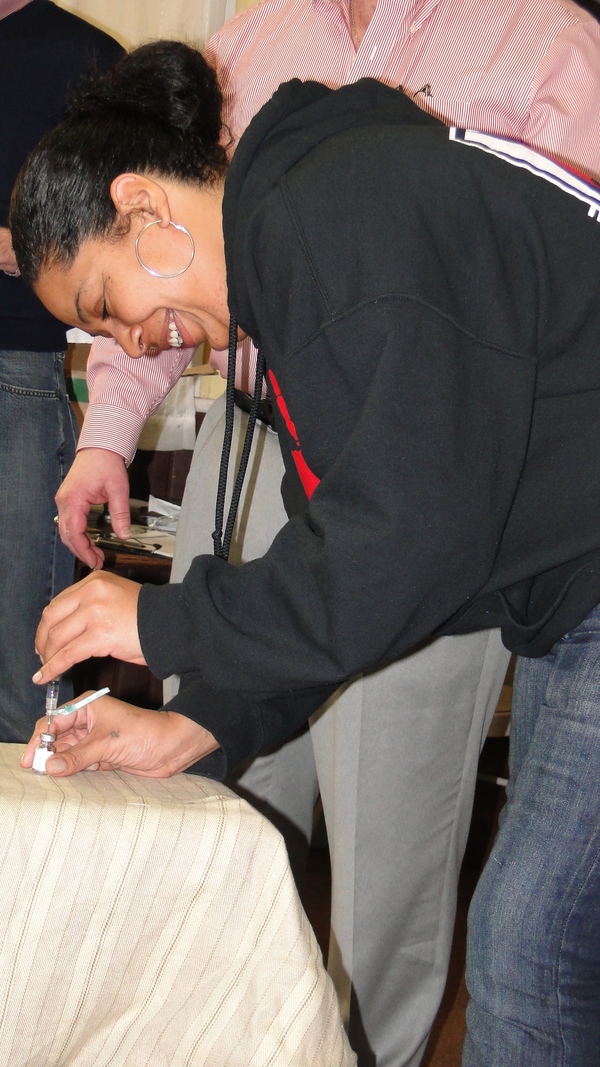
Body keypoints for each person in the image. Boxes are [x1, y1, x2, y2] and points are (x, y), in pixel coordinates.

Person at [11, 41, 600, 1066]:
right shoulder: (301, 264)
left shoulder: (332, 215)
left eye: (107, 305)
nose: (134, 343)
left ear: (143, 209)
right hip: (575, 591)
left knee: (527, 944)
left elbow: (404, 541)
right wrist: (198, 722)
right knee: (537, 940)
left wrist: (158, 618)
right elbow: (341, 559)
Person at [0, 0, 123, 742]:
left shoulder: (84, 58)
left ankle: (33, 857)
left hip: (15, 370)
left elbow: (100, 238)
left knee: (24, 675)